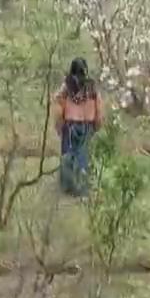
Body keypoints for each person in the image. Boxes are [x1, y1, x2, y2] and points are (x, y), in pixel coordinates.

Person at [51, 58, 103, 196]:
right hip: (86, 125)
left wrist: (59, 124)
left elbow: (59, 104)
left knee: (68, 156)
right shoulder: (92, 86)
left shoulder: (67, 86)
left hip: (70, 125)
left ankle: (68, 188)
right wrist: (98, 122)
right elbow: (99, 107)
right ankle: (81, 189)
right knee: (82, 156)